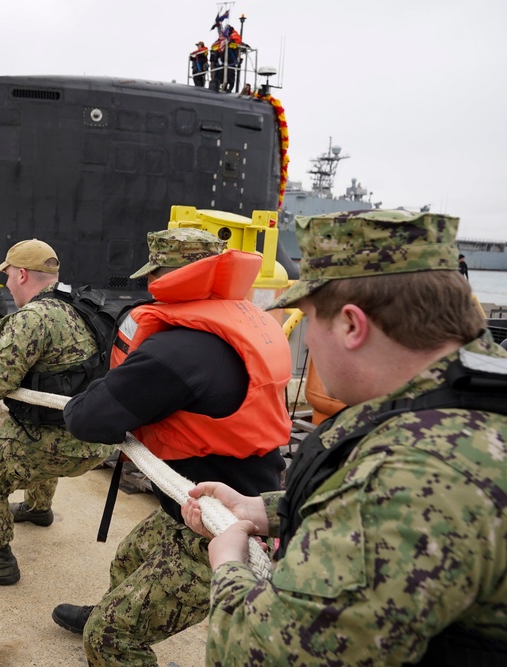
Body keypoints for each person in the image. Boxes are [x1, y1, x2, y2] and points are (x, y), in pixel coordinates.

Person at [183, 210, 507, 664]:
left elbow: (265, 655)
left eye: (311, 319)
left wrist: (229, 565)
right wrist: (267, 509)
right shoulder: (473, 398)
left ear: (353, 325)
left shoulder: (407, 475)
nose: (308, 341)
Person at [53, 228, 292, 665]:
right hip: (216, 491)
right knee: (130, 556)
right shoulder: (240, 319)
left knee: (107, 641)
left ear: (166, 275)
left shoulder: (177, 350)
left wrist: (104, 390)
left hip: (220, 521)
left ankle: (114, 629)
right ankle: (118, 609)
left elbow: (89, 418)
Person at [0, 239, 114, 586]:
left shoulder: (32, 318)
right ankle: (38, 510)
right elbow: (8, 337)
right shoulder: (74, 304)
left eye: (7, 276)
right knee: (30, 425)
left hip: (62, 444)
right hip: (94, 437)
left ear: (21, 275)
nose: (5, 284)